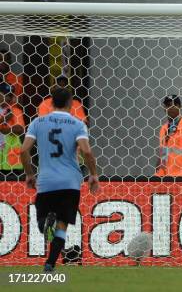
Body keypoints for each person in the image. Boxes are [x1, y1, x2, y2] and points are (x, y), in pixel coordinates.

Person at [19, 87, 99, 272]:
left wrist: (30, 174)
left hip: (46, 182)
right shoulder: (78, 124)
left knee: (42, 221)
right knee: (62, 226)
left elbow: (24, 151)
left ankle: (46, 221)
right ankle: (50, 263)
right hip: (70, 183)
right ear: (71, 102)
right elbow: (86, 151)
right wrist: (93, 174)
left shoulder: (38, 123)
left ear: (51, 102)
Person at [0, 82, 24, 172]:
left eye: (10, 95)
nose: (9, 98)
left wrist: (6, 130)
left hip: (12, 163)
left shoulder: (15, 110)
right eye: (6, 95)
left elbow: (19, 129)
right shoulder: (9, 113)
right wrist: (5, 119)